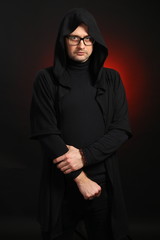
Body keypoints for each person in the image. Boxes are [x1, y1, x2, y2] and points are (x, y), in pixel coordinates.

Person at [30, 8, 133, 240]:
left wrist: (85, 156)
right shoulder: (45, 79)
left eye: (87, 38)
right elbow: (46, 132)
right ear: (63, 41)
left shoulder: (112, 79)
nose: (81, 44)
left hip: (102, 183)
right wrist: (80, 177)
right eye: (74, 37)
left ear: (95, 41)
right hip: (62, 184)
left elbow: (121, 128)